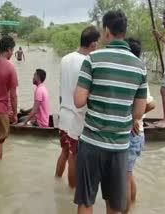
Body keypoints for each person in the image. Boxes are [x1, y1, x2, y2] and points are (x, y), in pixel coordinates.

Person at [73, 10, 147, 214]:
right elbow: (139, 113)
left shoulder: (93, 59)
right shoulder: (140, 67)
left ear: (107, 31)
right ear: (124, 31)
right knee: (114, 206)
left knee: (86, 201)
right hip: (119, 146)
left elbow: (78, 101)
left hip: (91, 143)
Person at [55, 26, 100, 188]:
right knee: (74, 156)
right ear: (93, 44)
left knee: (64, 153)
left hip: (63, 114)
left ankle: (57, 181)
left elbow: (62, 89)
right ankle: (71, 192)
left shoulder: (65, 59)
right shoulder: (89, 62)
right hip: (78, 118)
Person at [123, 38, 156, 214]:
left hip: (132, 134)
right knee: (128, 175)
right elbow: (149, 104)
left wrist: (134, 118)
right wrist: (137, 117)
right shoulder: (138, 71)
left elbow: (152, 104)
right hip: (137, 133)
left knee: (125, 179)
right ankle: (133, 205)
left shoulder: (134, 72)